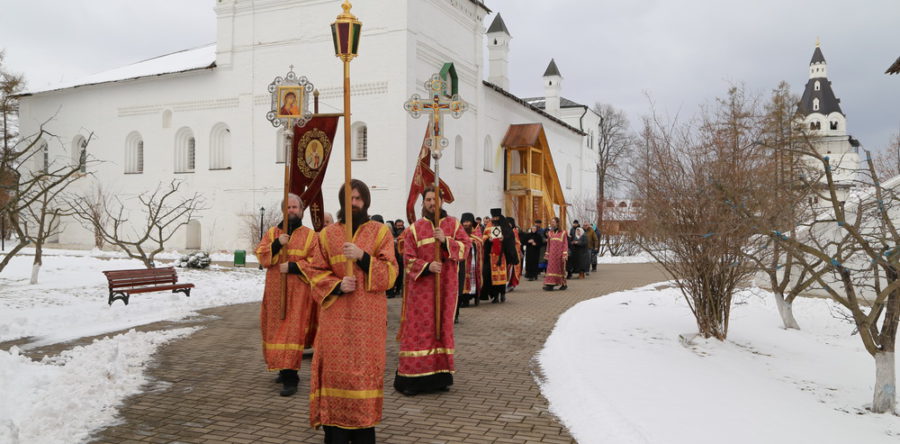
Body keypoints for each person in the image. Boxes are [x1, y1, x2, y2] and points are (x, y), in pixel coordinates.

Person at [299, 179, 397, 444]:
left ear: (366, 201)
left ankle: (364, 432)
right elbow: (314, 272)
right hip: (336, 320)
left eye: (358, 198)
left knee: (364, 377)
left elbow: (390, 274)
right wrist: (337, 285)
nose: (353, 203)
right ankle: (335, 432)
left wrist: (363, 257)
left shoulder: (380, 233)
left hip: (368, 322)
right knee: (336, 375)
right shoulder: (327, 235)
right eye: (349, 198)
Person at [395, 186, 470, 396]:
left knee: (442, 330)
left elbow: (466, 248)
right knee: (419, 331)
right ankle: (412, 380)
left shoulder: (453, 225)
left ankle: (440, 377)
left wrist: (446, 240)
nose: (431, 203)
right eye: (427, 200)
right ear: (423, 203)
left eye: (434, 200)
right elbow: (407, 259)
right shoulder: (414, 229)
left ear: (441, 202)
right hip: (421, 291)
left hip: (445, 288)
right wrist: (427, 267)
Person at [255, 193, 319, 397]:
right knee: (275, 331)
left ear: (301, 211)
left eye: (295, 207)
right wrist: (276, 244)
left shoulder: (311, 235)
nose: (291, 211)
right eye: (288, 207)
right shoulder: (273, 232)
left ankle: (292, 377)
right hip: (275, 293)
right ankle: (283, 369)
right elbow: (261, 256)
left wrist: (293, 266)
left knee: (292, 333)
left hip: (298, 294)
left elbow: (316, 263)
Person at [481, 209, 518, 303]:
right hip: (491, 255)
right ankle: (495, 295)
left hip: (502, 255)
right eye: (493, 217)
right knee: (490, 276)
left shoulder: (505, 224)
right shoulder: (489, 225)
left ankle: (502, 294)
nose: (494, 218)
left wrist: (504, 239)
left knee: (501, 275)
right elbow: (484, 237)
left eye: (496, 217)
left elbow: (511, 238)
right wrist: (488, 240)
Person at [456, 212, 483, 318]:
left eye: (468, 222)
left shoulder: (476, 231)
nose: (466, 224)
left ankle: (470, 297)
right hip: (462, 259)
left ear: (471, 222)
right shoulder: (459, 230)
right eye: (464, 222)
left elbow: (479, 242)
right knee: (462, 279)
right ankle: (462, 298)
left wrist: (472, 242)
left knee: (471, 278)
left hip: (472, 260)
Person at [543, 217, 568, 291]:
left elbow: (565, 244)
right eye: (551, 222)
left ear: (557, 223)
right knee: (550, 269)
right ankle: (550, 285)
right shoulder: (550, 233)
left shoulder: (563, 232)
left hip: (559, 255)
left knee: (560, 269)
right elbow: (548, 244)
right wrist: (547, 254)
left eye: (553, 222)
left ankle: (564, 284)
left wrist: (564, 254)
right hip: (551, 255)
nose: (552, 223)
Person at [389, 219, 406, 298]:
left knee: (401, 274)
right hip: (394, 257)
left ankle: (398, 289)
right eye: (398, 226)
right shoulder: (392, 233)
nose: (400, 227)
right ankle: (393, 290)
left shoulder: (406, 232)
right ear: (395, 226)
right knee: (394, 274)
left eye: (401, 225)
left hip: (402, 257)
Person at [506, 217, 522, 292]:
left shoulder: (514, 231)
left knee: (511, 269)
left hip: (512, 252)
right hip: (506, 252)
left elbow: (517, 242)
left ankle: (510, 284)